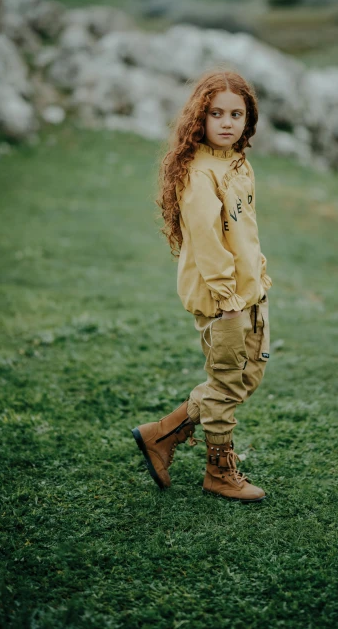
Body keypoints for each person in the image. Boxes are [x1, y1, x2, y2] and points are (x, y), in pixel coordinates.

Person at [131, 69, 272, 503]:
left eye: (236, 113)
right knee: (227, 382)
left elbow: (243, 232)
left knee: (244, 378)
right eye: (216, 113)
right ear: (200, 117)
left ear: (247, 120)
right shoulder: (199, 173)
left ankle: (161, 434)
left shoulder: (237, 164)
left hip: (250, 290)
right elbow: (209, 243)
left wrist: (258, 279)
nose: (227, 122)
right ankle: (219, 471)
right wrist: (228, 297)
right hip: (222, 299)